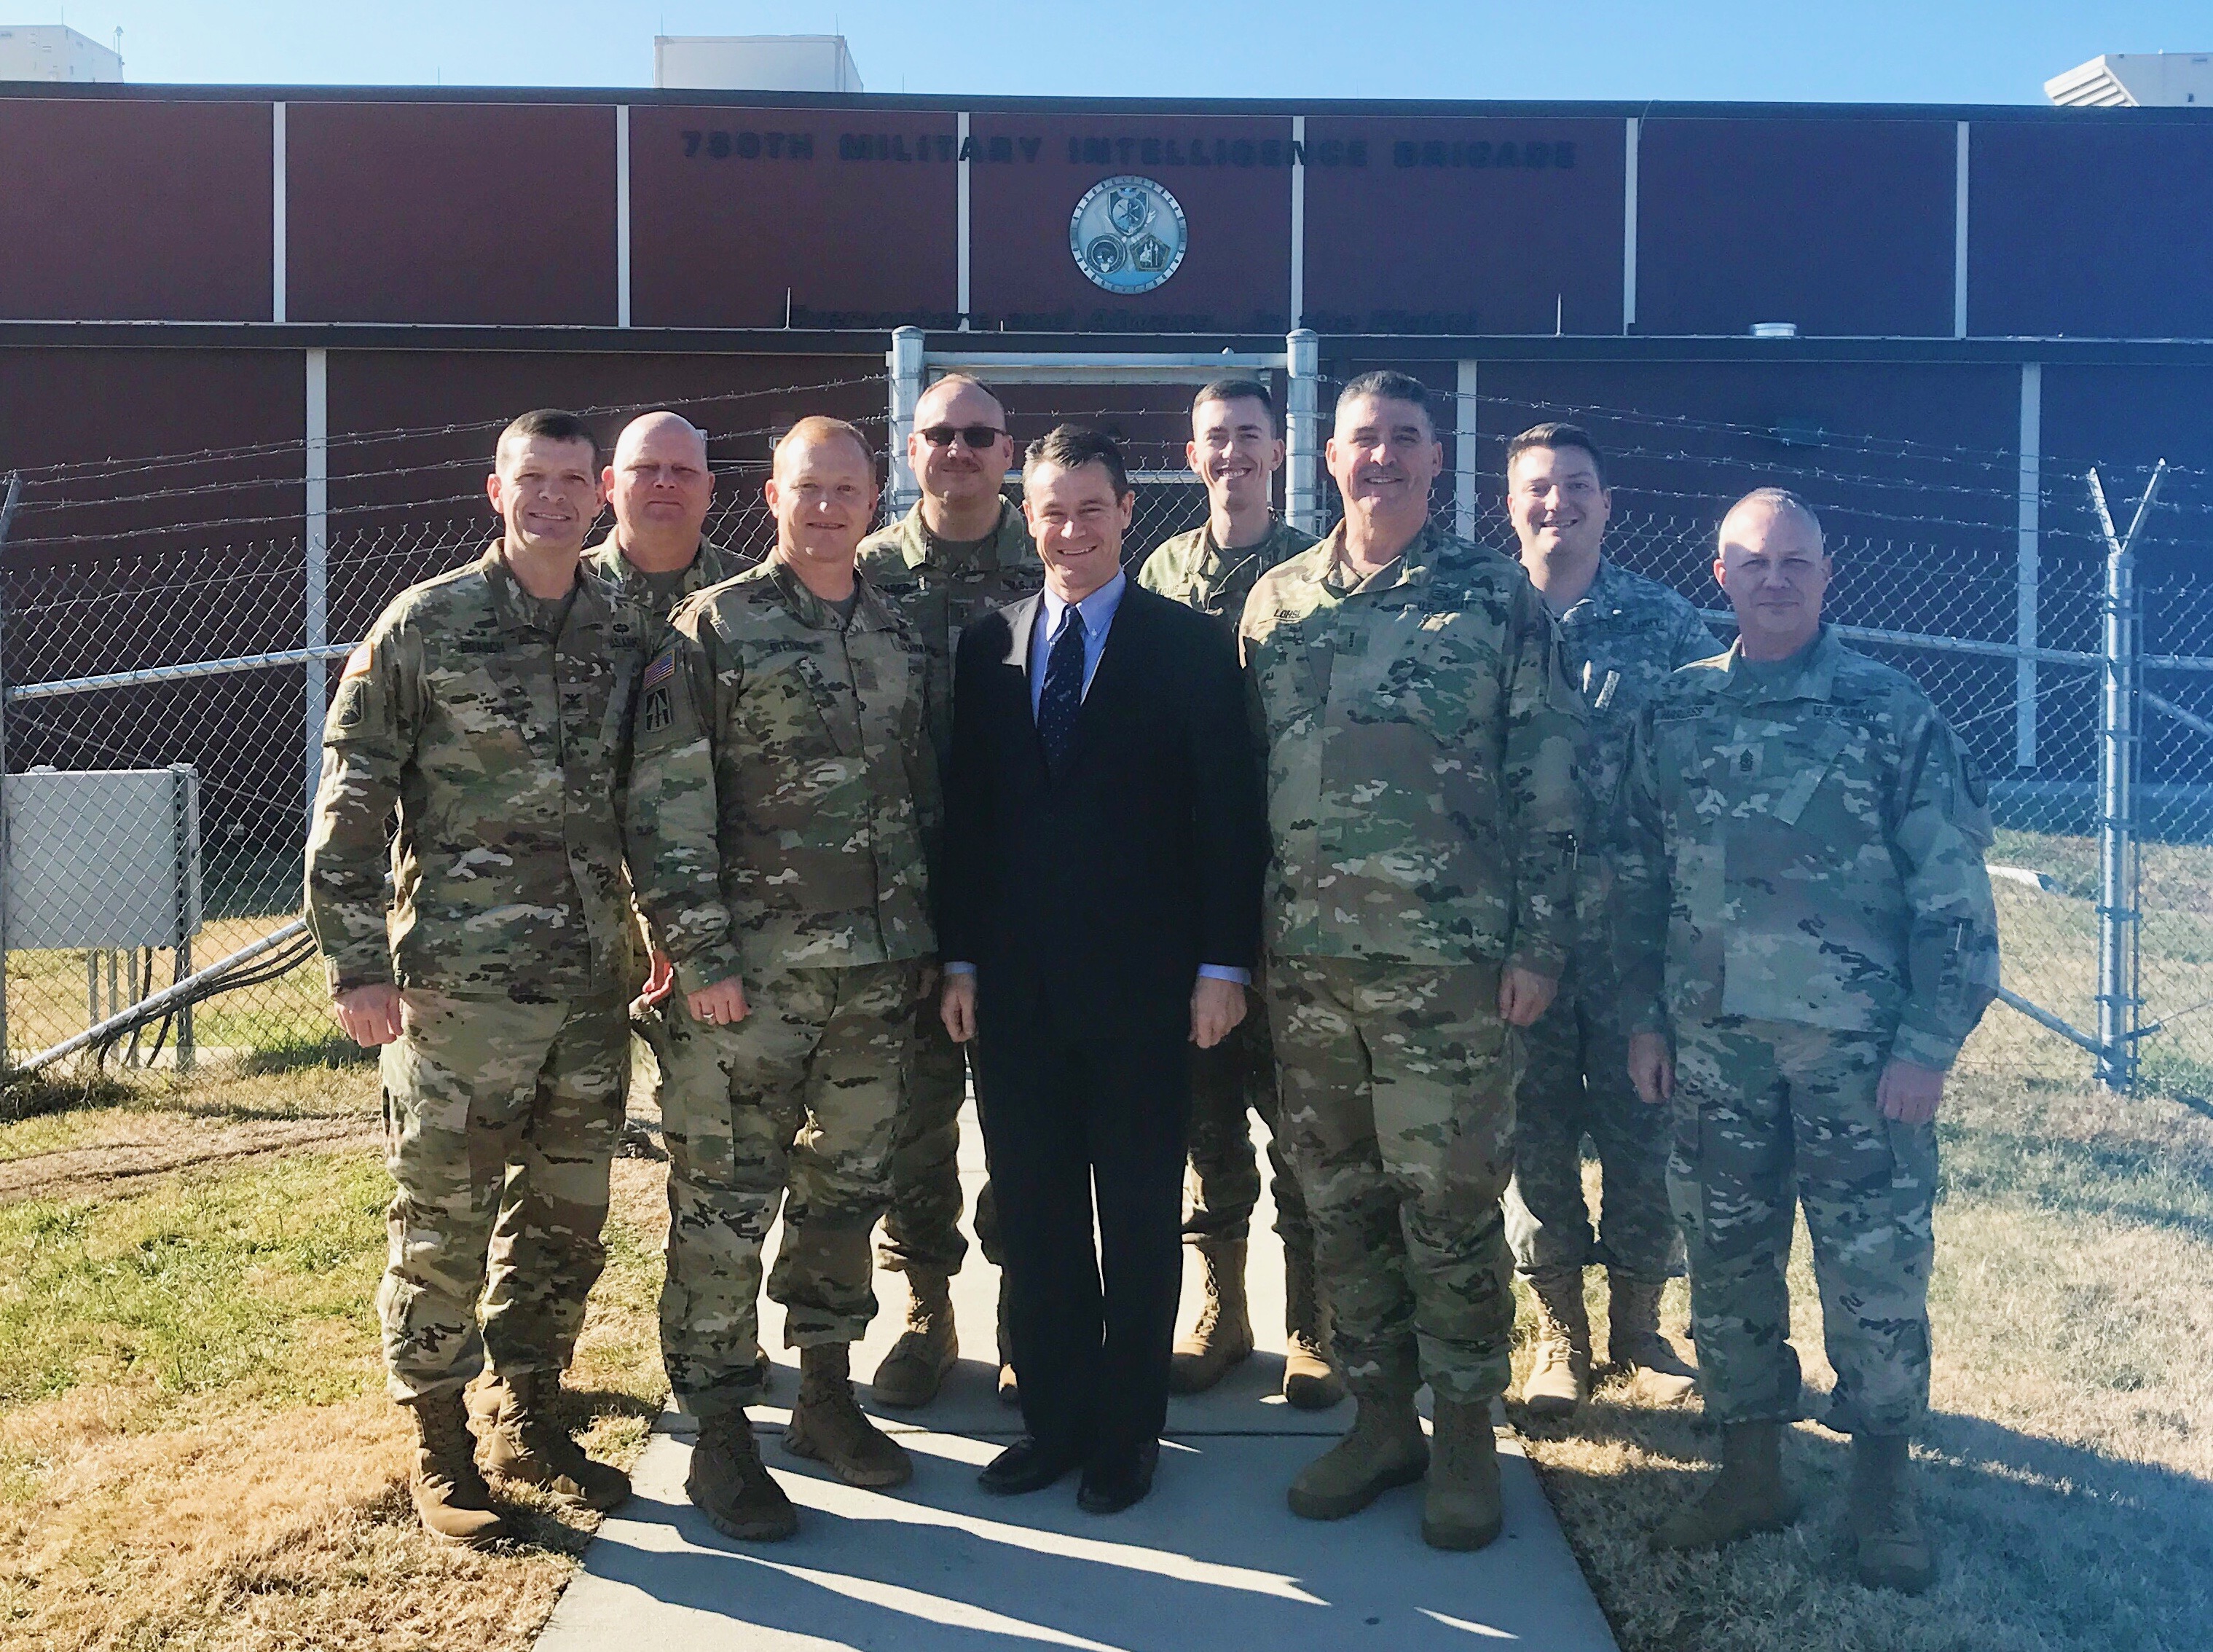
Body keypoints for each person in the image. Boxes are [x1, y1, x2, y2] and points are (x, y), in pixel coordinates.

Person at [1616, 487, 1999, 1592]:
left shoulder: (1889, 710)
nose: (1773, 579)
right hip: (1709, 1046)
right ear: (1719, 576)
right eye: (1752, 562)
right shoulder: (1674, 711)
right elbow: (1633, 877)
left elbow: (1954, 898)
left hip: (1859, 1057)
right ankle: (1750, 1469)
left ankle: (1882, 1487)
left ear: (1826, 576)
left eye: (1794, 562)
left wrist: (1927, 1045)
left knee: (1871, 1266)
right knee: (1726, 1259)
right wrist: (1644, 1018)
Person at [1240, 372, 1584, 1552]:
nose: (1378, 457)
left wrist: (1536, 943)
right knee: (1339, 1202)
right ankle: (1381, 1417)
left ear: (1438, 461)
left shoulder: (1492, 600)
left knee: (1447, 1207)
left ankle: (1464, 1438)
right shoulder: (1275, 603)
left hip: (1450, 970)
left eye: (1402, 440)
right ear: (1324, 459)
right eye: (1359, 440)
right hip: (1308, 972)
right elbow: (1239, 793)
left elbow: (1548, 779)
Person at [305, 409, 645, 1546]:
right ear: (494, 493)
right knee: (444, 1218)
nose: (551, 499)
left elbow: (659, 796)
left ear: (600, 493)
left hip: (592, 985)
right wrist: (358, 964)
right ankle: (441, 1447)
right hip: (457, 990)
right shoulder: (427, 624)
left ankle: (534, 1413)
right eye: (528, 480)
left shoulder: (627, 628)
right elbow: (353, 799)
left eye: (568, 480)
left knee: (563, 1219)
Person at [939, 425, 1265, 1515]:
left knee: (1133, 1215)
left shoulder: (1187, 646)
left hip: (1145, 992)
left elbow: (1227, 817)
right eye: (1050, 509)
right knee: (1032, 1215)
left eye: (1091, 508)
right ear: (1024, 516)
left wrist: (1223, 964)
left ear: (1130, 512)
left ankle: (1127, 1434)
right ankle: (1057, 1422)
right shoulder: (988, 648)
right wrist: (962, 959)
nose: (1069, 529)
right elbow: (969, 823)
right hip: (1017, 998)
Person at [625, 417, 938, 1543]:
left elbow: (927, 802)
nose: (825, 508)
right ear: (772, 497)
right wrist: (700, 953)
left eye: (845, 490)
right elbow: (664, 803)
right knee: (720, 1204)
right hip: (743, 988)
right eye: (807, 489)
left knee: (845, 1190)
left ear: (872, 497)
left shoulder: (900, 634)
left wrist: (929, 951)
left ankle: (822, 1395)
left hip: (873, 977)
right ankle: (716, 1433)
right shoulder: (712, 629)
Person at [1498, 422, 1718, 1417]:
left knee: (1642, 1133)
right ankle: (1555, 1335)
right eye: (1538, 488)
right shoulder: (1478, 614)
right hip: (1515, 937)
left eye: (1576, 487)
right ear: (1510, 504)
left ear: (1605, 504)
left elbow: (1698, 777)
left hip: (1634, 941)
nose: (1558, 504)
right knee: (1530, 1136)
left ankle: (1637, 1328)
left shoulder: (1665, 624)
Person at [1136, 378, 1340, 1409]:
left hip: (1295, 880)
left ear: (1278, 449)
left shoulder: (1313, 570)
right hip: (1189, 878)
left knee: (1296, 1109)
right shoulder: (1161, 569)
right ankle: (1221, 1309)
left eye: (1248, 438)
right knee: (1204, 1114)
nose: (1231, 455)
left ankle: (1314, 1321)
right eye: (1214, 440)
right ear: (1191, 453)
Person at [857, 373, 1043, 1410]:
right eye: (940, 435)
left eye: (979, 436)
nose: (959, 452)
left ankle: (1025, 1312)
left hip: (1020, 898)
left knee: (1020, 1112)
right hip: (896, 896)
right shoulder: (863, 568)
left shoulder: (1050, 562)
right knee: (911, 1121)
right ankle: (925, 1310)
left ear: (1006, 451)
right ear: (911, 448)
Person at [584, 409, 754, 624]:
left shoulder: (759, 593)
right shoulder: (563, 588)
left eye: (683, 470)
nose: (665, 481)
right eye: (645, 467)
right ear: (610, 484)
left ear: (709, 489)